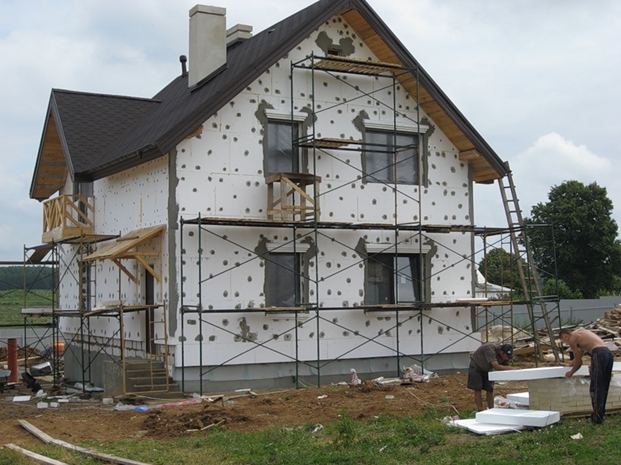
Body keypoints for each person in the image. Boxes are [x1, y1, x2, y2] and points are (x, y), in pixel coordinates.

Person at [559, 327, 614, 424]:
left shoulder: (572, 340)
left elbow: (579, 362)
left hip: (598, 354)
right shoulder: (581, 332)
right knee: (604, 385)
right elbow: (579, 355)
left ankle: (597, 419)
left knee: (596, 386)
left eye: (564, 341)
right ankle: (600, 416)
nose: (566, 344)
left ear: (564, 335)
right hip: (608, 354)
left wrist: (571, 372)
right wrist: (571, 363)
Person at [467, 342, 517, 411]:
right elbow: (496, 366)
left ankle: (491, 409)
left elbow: (504, 367)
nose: (507, 359)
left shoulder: (504, 356)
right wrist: (512, 368)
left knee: (490, 389)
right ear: (501, 352)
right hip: (476, 367)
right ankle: (480, 410)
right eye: (506, 356)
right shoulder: (490, 349)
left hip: (487, 368)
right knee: (478, 389)